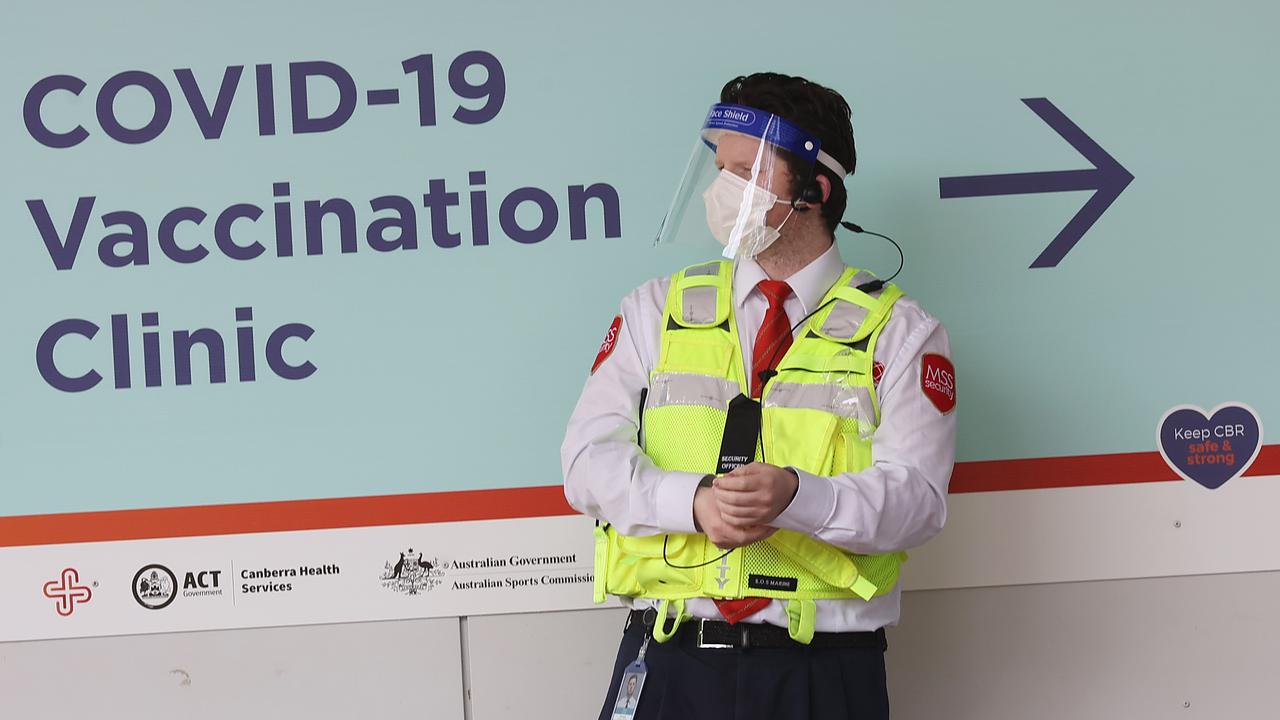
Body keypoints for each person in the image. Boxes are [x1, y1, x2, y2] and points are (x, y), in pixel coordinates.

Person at [562, 72, 956, 720]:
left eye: (746, 171)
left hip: (823, 673)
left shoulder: (903, 333)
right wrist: (691, 502)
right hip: (667, 663)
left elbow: (918, 502)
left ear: (814, 189)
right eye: (720, 169)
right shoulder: (652, 310)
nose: (723, 191)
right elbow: (584, 462)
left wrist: (801, 498)